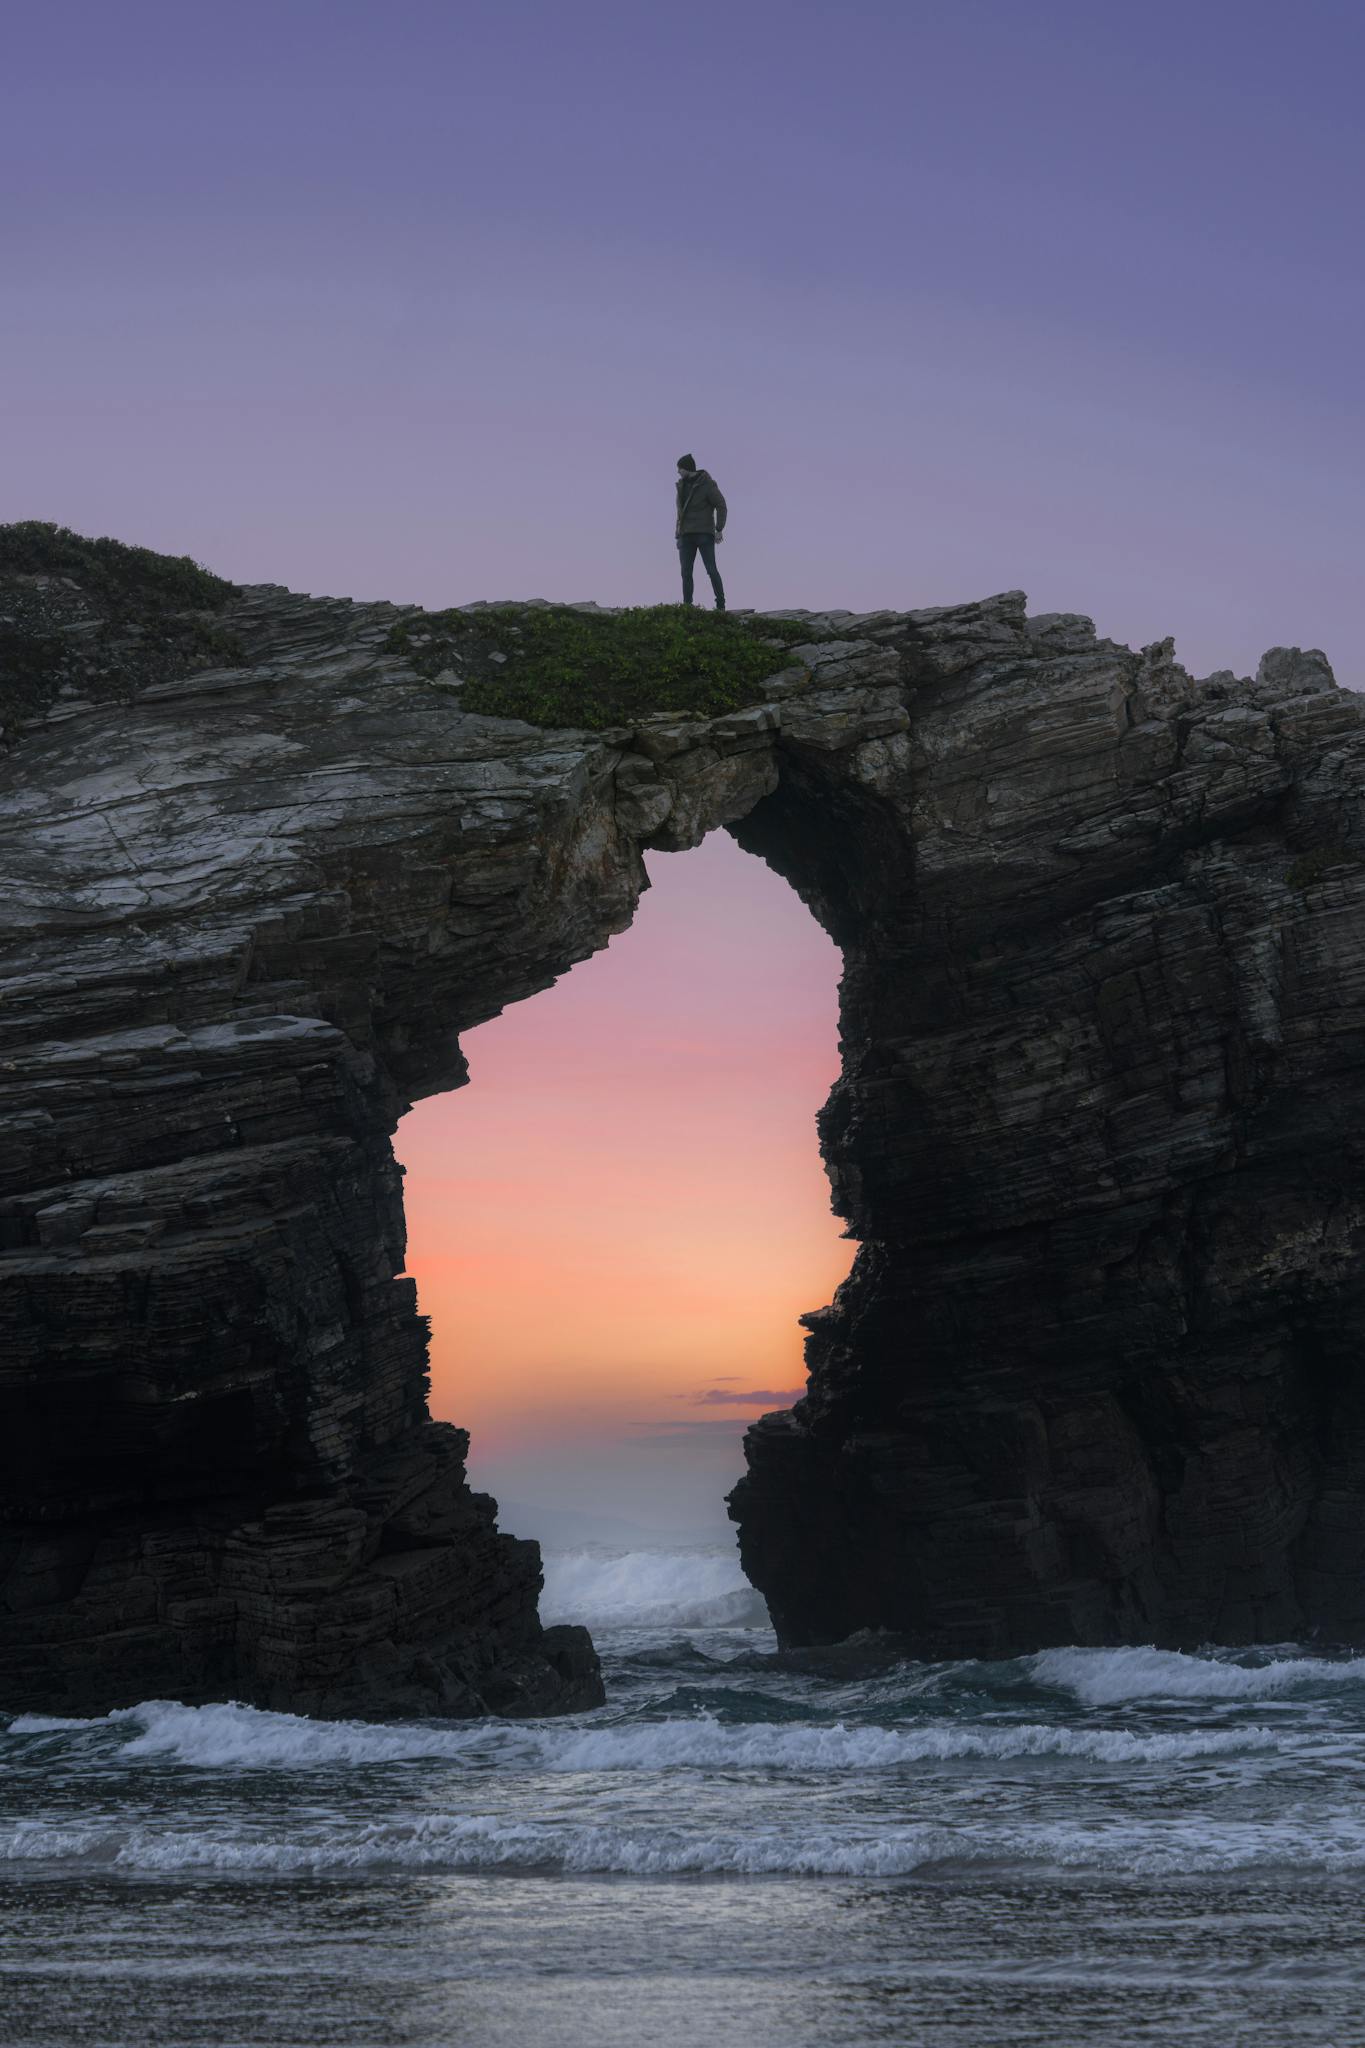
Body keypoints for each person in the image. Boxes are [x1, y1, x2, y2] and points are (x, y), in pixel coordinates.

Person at [674, 454, 727, 610]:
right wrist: (678, 533)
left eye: (680, 468)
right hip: (685, 536)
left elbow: (721, 505)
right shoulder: (681, 485)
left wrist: (719, 529)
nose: (678, 472)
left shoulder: (707, 485)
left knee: (711, 570)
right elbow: (680, 513)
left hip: (704, 534)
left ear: (687, 469)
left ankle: (721, 605)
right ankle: (687, 606)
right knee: (685, 572)